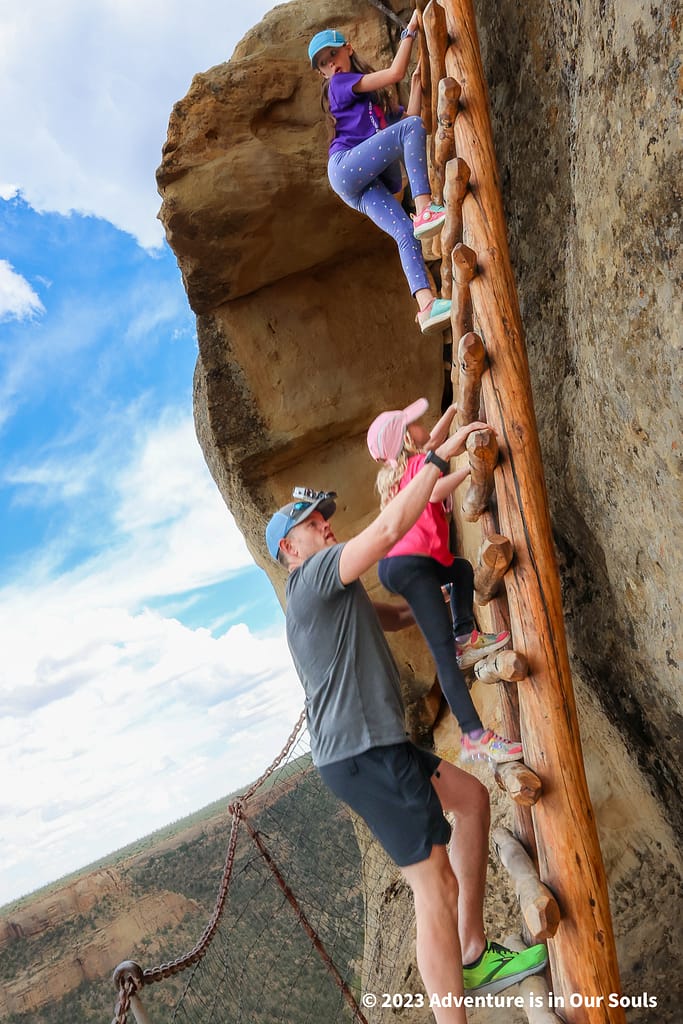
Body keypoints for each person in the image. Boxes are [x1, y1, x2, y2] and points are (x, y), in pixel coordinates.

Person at [264, 427, 547, 1023]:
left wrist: (440, 611)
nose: (326, 524)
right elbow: (390, 531)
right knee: (433, 887)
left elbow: (389, 614)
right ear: (289, 547)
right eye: (314, 522)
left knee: (470, 799)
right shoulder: (312, 580)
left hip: (372, 749)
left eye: (324, 518)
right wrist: (435, 459)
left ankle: (472, 953)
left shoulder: (330, 595)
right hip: (367, 755)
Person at [367, 398, 524, 764]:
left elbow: (433, 440)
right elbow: (436, 483)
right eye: (414, 424)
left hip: (406, 564)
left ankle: (465, 633)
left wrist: (454, 412)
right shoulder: (419, 468)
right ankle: (473, 736)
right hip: (411, 565)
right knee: (444, 657)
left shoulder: (403, 469)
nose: (423, 425)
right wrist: (468, 445)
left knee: (461, 571)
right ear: (407, 440)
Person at [308, 13, 453, 335]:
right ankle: (425, 206)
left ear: (347, 48)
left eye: (332, 54)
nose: (331, 65)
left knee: (404, 232)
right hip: (346, 167)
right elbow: (395, 73)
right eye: (323, 64)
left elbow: (410, 119)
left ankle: (426, 304)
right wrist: (410, 32)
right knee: (410, 131)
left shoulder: (372, 104)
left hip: (362, 182)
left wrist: (415, 87)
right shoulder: (339, 85)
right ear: (322, 74)